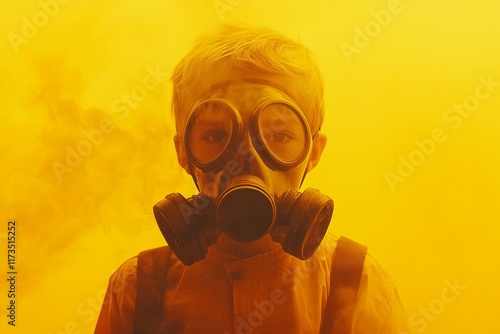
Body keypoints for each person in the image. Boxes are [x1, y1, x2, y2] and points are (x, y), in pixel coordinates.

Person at [95, 24, 410, 334]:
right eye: (218, 135)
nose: (247, 158)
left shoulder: (357, 285)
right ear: (184, 152)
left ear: (313, 152)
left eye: (277, 135)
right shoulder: (138, 291)